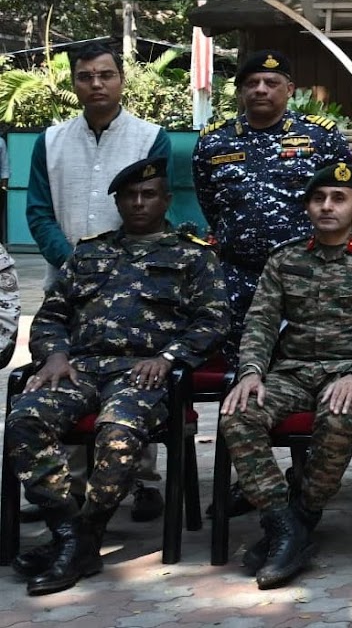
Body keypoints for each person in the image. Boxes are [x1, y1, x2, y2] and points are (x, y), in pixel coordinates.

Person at [6, 157, 229, 595]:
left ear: (166, 200)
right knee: (24, 418)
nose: (139, 202)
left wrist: (168, 357)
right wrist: (54, 355)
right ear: (118, 202)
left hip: (143, 374)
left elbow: (213, 321)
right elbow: (51, 315)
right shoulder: (88, 253)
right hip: (79, 369)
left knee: (118, 431)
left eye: (149, 194)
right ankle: (71, 533)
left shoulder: (193, 256)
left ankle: (83, 535)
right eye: (130, 195)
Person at [218, 162, 352, 590]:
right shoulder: (285, 259)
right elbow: (261, 322)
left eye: (339, 198)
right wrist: (250, 372)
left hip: (349, 376)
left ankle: (304, 513)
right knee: (237, 413)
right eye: (319, 198)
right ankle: (283, 522)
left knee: (339, 415)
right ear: (307, 207)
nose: (327, 206)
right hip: (292, 373)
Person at [194, 50, 352, 518]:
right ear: (240, 90)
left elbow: (341, 198)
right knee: (248, 382)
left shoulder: (319, 137)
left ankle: (304, 479)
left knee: (306, 371)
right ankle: (252, 482)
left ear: (289, 89)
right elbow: (211, 206)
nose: (261, 90)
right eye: (252, 83)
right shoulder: (214, 143)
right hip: (240, 280)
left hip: (307, 280)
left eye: (271, 82)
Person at [25, 40, 173, 523]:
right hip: (67, 281)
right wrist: (74, 262)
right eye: (86, 76)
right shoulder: (50, 141)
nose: (96, 84)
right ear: (73, 82)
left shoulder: (150, 138)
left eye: (105, 75)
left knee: (134, 377)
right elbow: (39, 211)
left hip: (135, 284)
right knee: (65, 373)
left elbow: (153, 203)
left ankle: (142, 482)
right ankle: (70, 486)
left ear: (121, 79)